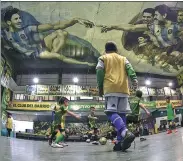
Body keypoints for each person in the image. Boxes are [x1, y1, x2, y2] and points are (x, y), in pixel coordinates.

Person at [2, 8, 95, 66]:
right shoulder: (4, 34)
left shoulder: (27, 29)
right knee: (58, 56)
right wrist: (85, 63)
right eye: (16, 19)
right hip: (36, 54)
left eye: (20, 18)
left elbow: (54, 26)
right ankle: (54, 55)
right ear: (9, 22)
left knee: (61, 32)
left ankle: (54, 52)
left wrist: (75, 20)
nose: (20, 21)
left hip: (39, 46)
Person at [96, 41, 138, 151]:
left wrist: (100, 87)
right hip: (124, 89)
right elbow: (130, 69)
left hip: (110, 89)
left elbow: (99, 71)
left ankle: (125, 132)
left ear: (106, 50)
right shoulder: (123, 59)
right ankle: (120, 142)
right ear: (116, 50)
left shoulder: (103, 58)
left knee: (110, 113)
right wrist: (134, 79)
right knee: (122, 114)